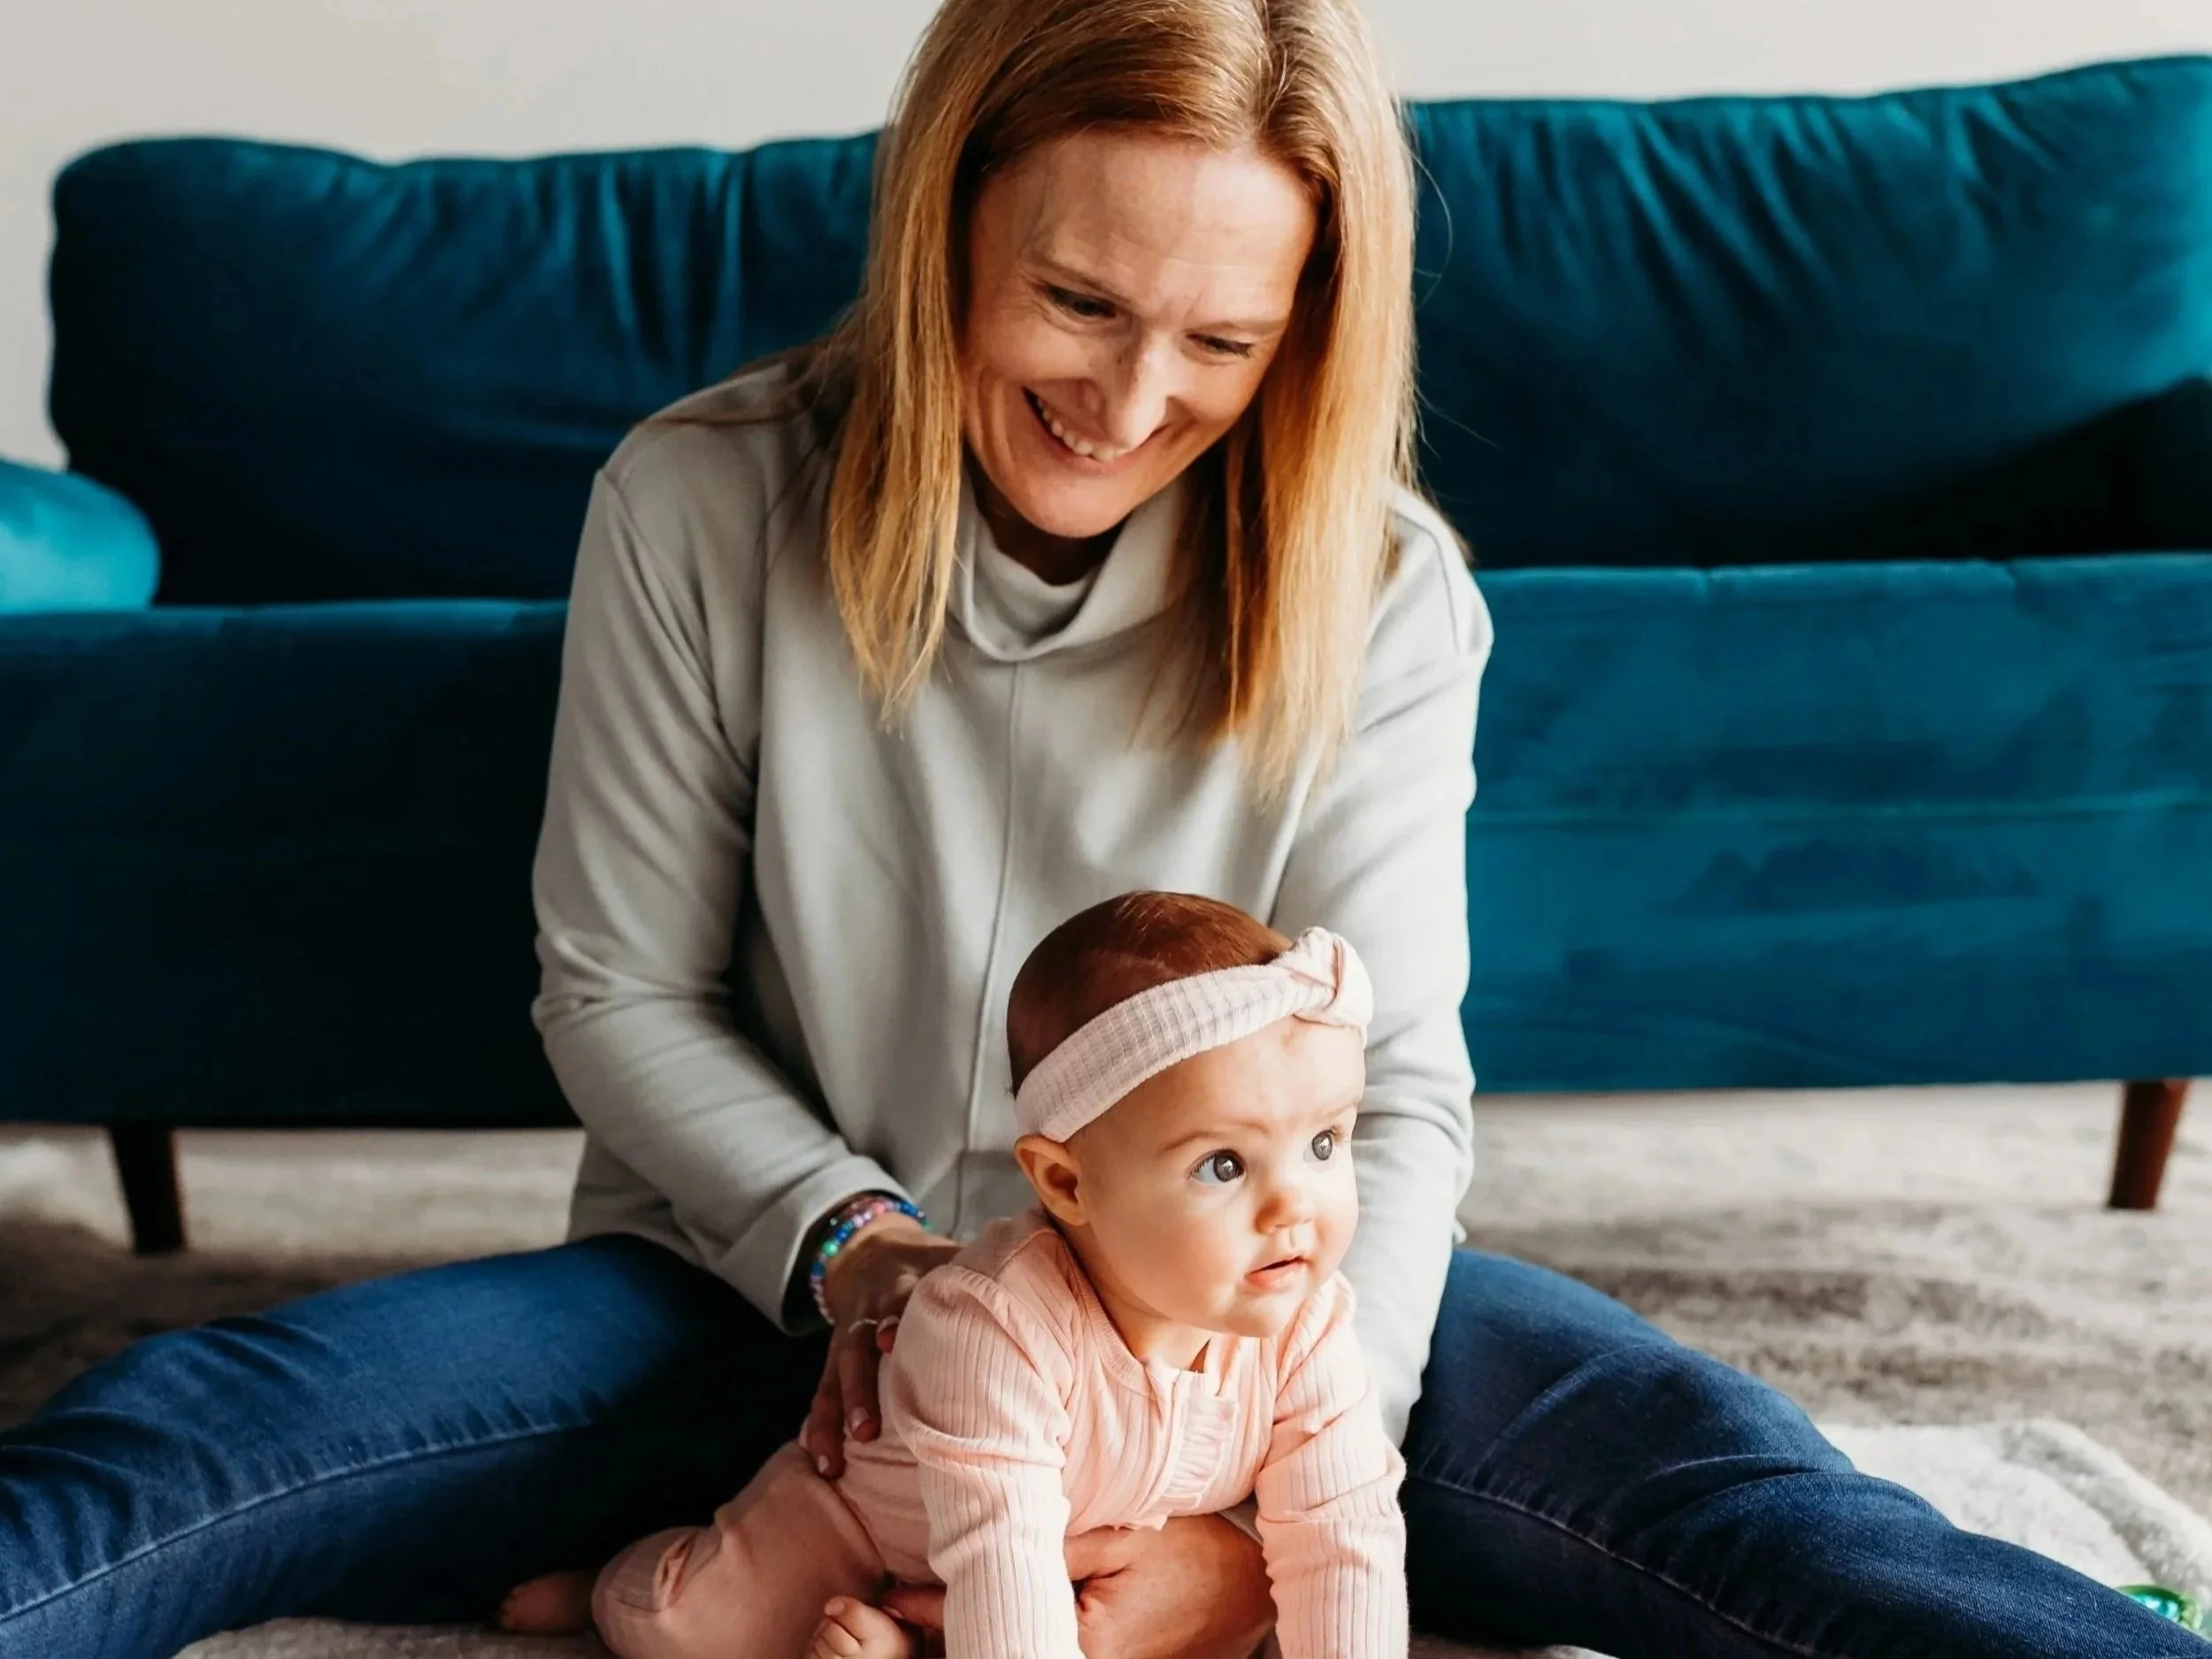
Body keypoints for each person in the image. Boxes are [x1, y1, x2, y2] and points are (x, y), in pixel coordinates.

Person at [0, 0, 2198, 1655]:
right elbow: (620, 985)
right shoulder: (696, 497)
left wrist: (1252, 1521)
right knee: (193, 1425)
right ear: (947, 204)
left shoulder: (1387, 588)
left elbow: (1402, 1080)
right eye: (1074, 299)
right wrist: (873, 1260)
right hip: (750, 1301)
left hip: (1245, 1345)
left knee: (1741, 1493)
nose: (1131, 396)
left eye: (1221, 340)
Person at [500, 894, 1405, 1659]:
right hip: (876, 1525)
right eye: (1223, 1165)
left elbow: (1340, 1533)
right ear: (1065, 1181)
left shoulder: (1307, 1325)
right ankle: (603, 1590)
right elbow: (1001, 1559)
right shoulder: (994, 1325)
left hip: (1096, 1546)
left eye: (1325, 1143)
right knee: (703, 1623)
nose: (1297, 1206)